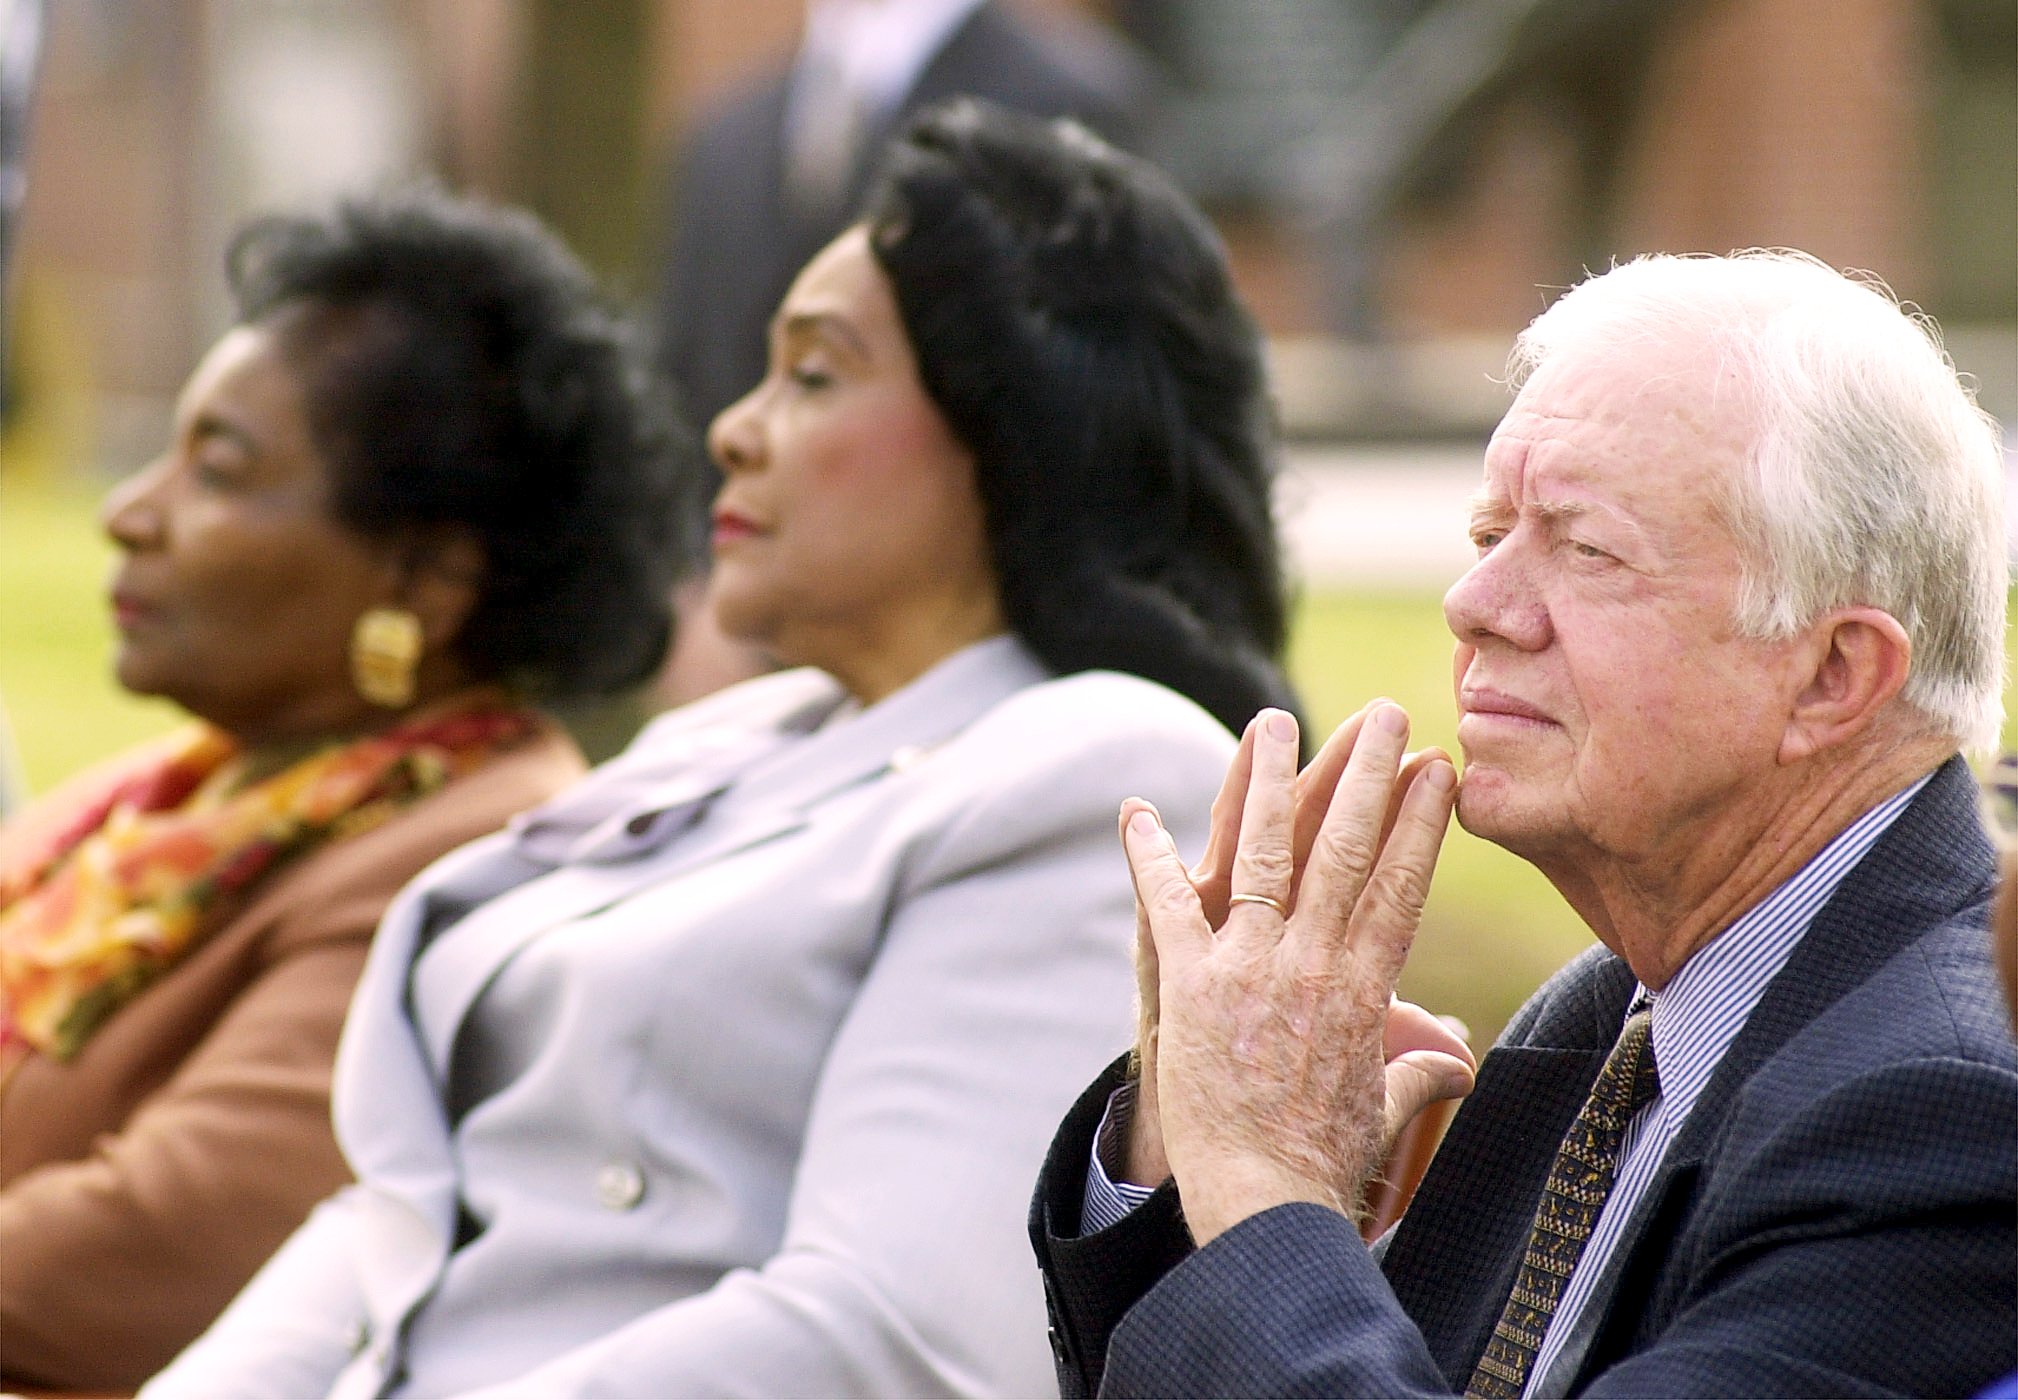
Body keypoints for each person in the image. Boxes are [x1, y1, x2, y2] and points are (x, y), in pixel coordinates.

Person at [144, 101, 1294, 1399]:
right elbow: (393, 1214)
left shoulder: (1097, 771)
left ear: (1019, 418)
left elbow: (883, 1339)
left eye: (812, 374)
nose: (732, 429)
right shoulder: (726, 741)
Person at [1032, 250, 2018, 1396]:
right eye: (1488, 534)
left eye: (1583, 546)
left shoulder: (1944, 1103)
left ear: (1830, 673)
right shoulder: (1611, 1018)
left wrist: (1259, 1174)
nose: (1473, 604)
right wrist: (1189, 1130)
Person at [0, 190, 686, 1394]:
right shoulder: (184, 792)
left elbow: (144, 1258)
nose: (130, 511)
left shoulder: (473, 857)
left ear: (423, 578)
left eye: (217, 467)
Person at [650, 0, 1156, 705]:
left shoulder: (1064, 104)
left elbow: (1098, 419)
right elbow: (680, 381)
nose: (736, 432)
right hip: (737, 680)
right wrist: (689, 597)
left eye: (814, 376)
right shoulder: (725, 136)